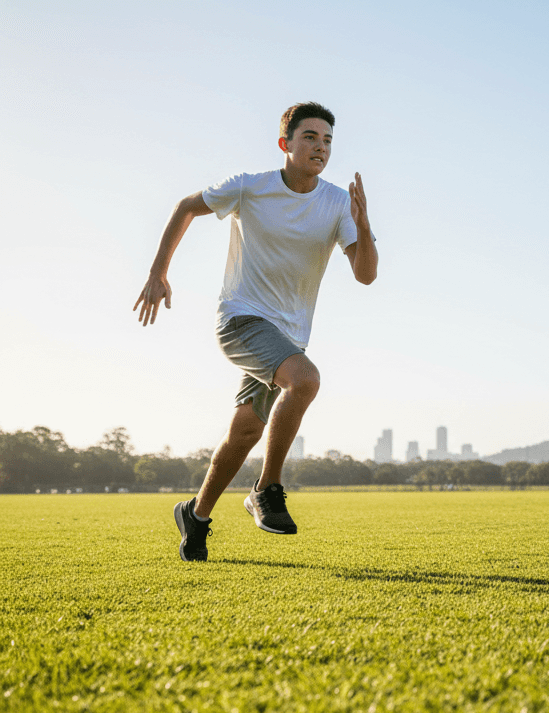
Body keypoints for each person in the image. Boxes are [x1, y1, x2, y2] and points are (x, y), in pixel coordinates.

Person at [135, 102, 378, 562]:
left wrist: (364, 228)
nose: (321, 147)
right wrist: (158, 272)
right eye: (310, 137)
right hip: (240, 320)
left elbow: (365, 275)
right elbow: (186, 207)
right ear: (285, 143)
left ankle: (195, 515)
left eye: (327, 140)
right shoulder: (250, 187)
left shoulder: (337, 204)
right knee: (305, 380)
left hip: (287, 337)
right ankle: (266, 489)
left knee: (245, 431)